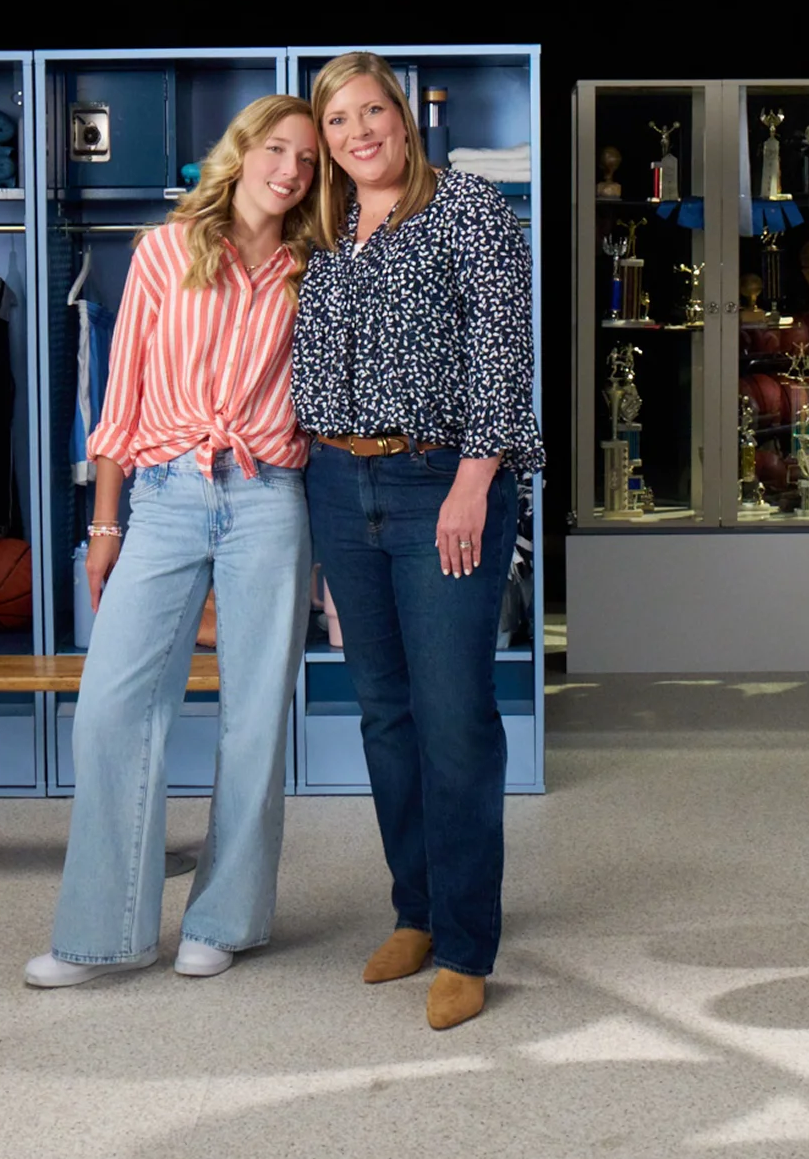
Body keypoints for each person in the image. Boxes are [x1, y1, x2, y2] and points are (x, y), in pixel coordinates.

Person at [26, 95, 318, 988]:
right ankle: (102, 934)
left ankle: (224, 919)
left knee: (255, 718)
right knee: (114, 706)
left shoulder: (318, 266)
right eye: (278, 149)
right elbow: (121, 401)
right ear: (243, 150)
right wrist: (104, 523)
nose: (292, 170)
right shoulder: (165, 249)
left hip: (269, 497)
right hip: (159, 496)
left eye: (309, 160)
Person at [292, 52, 545, 1030]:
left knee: (453, 717)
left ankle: (466, 943)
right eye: (339, 119)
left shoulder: (467, 209)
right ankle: (415, 909)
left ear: (399, 118)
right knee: (384, 714)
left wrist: (474, 480)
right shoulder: (325, 231)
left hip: (440, 478)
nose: (359, 131)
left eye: (371, 111)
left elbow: (499, 352)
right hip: (336, 484)